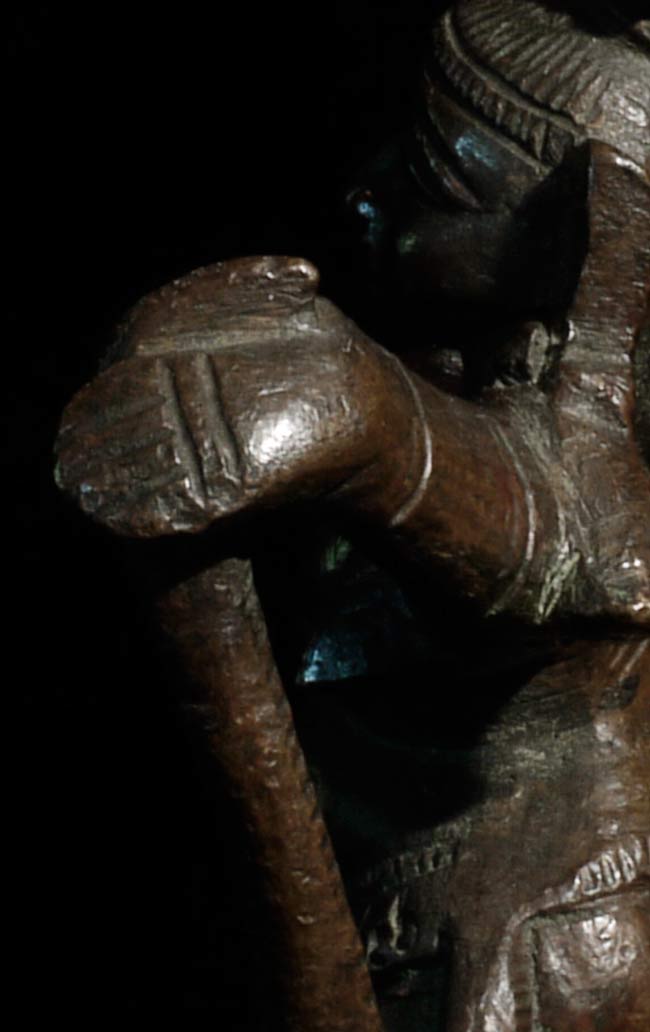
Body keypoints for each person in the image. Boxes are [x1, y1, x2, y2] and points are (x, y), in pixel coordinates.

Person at [56, 2, 649, 1029]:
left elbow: (569, 538)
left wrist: (367, 413)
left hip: (539, 945)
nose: (365, 191)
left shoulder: (588, 449)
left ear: (582, 234)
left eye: (435, 181)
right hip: (410, 924)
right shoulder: (450, 378)